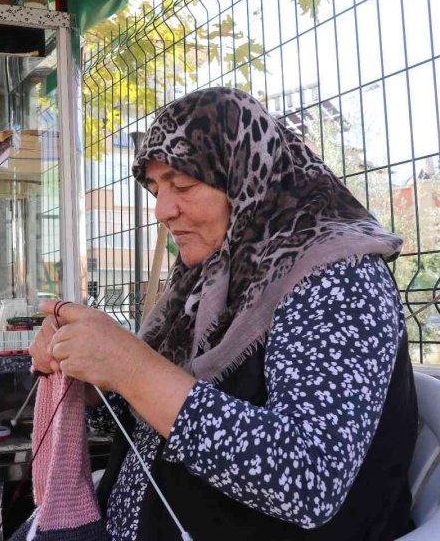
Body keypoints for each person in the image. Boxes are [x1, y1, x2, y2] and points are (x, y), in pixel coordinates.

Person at [28, 87, 417, 540]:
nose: (162, 210)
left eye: (184, 185)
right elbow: (158, 419)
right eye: (156, 189)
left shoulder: (337, 278)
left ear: (246, 178)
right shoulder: (216, 277)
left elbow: (308, 479)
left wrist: (131, 367)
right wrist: (90, 376)